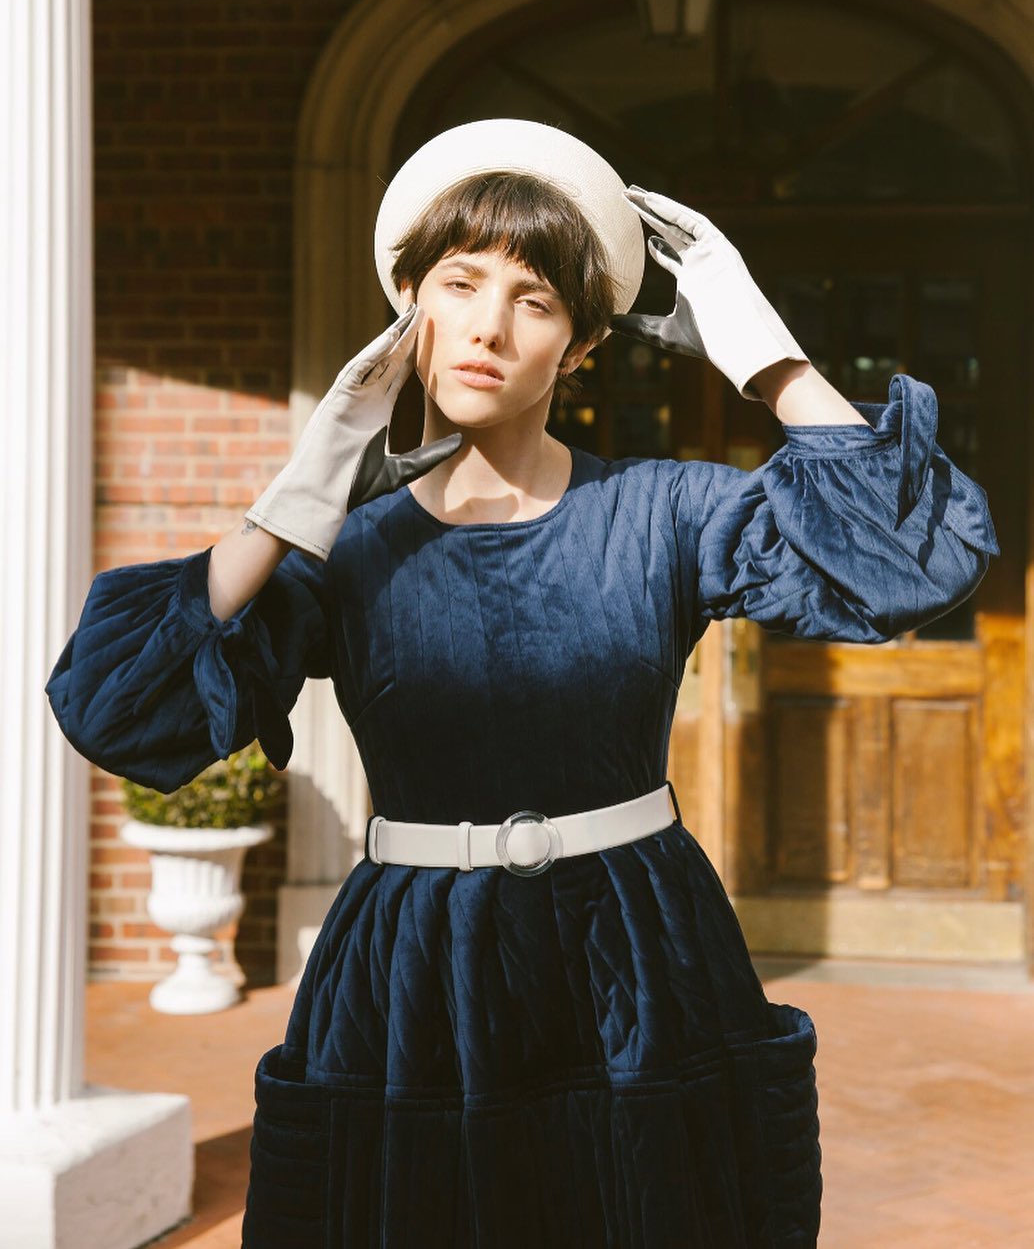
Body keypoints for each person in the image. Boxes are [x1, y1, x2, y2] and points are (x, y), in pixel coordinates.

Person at [45, 119, 998, 1249]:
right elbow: (116, 705)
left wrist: (768, 358)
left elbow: (917, 563)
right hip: (412, 972)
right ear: (410, 305)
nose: (488, 327)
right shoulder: (347, 552)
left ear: (581, 345)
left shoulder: (664, 510)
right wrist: (304, 487)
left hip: (637, 956)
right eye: (459, 284)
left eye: (535, 301)